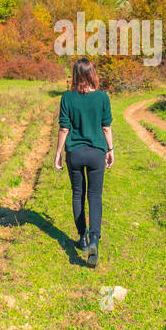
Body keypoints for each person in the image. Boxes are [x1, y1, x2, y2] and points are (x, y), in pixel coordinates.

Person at [54, 58, 115, 267]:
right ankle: (95, 239)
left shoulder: (67, 98)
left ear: (75, 75)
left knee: (78, 194)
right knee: (95, 196)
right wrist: (110, 149)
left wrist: (58, 153)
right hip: (96, 152)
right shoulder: (102, 97)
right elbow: (106, 127)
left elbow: (64, 128)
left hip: (75, 153)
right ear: (92, 74)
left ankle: (82, 237)